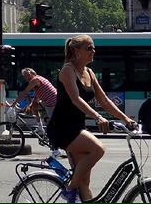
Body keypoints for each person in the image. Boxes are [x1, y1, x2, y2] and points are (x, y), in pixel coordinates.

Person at [46, 35, 136, 203]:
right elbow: (76, 99)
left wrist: (125, 119)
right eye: (89, 48)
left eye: (94, 48)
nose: (93, 51)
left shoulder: (89, 73)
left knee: (84, 182)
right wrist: (98, 117)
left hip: (77, 127)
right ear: (76, 51)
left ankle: (75, 189)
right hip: (62, 128)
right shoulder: (68, 70)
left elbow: (104, 100)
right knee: (98, 149)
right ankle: (69, 190)